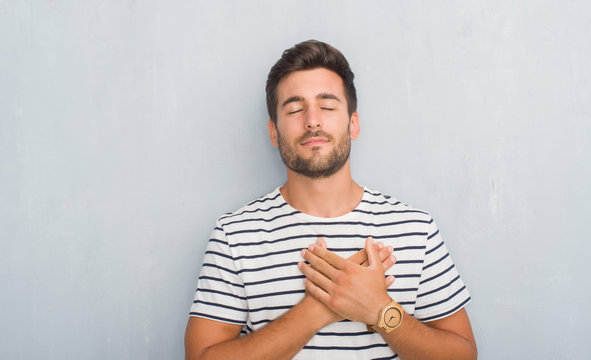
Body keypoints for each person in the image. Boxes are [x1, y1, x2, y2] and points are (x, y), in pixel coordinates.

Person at [184, 40, 477, 360]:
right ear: (273, 132)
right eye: (295, 109)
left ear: (353, 123)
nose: (312, 120)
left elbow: (462, 354)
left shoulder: (416, 229)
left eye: (327, 106)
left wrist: (380, 311)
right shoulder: (235, 235)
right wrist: (317, 309)